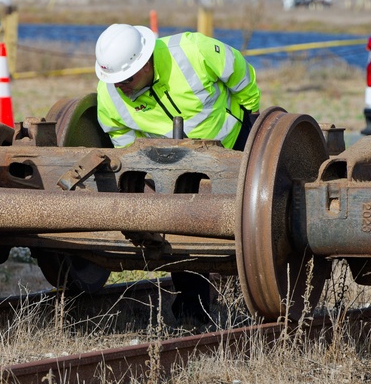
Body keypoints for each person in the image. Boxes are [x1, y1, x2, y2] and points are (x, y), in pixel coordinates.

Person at [93, 23, 261, 326]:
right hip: (174, 167)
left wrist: (250, 113)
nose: (121, 87)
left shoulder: (193, 50)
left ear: (146, 63)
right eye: (114, 81)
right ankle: (192, 311)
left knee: (251, 216)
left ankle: (251, 279)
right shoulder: (110, 95)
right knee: (178, 225)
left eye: (126, 79)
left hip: (234, 145)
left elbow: (239, 71)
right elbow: (120, 135)